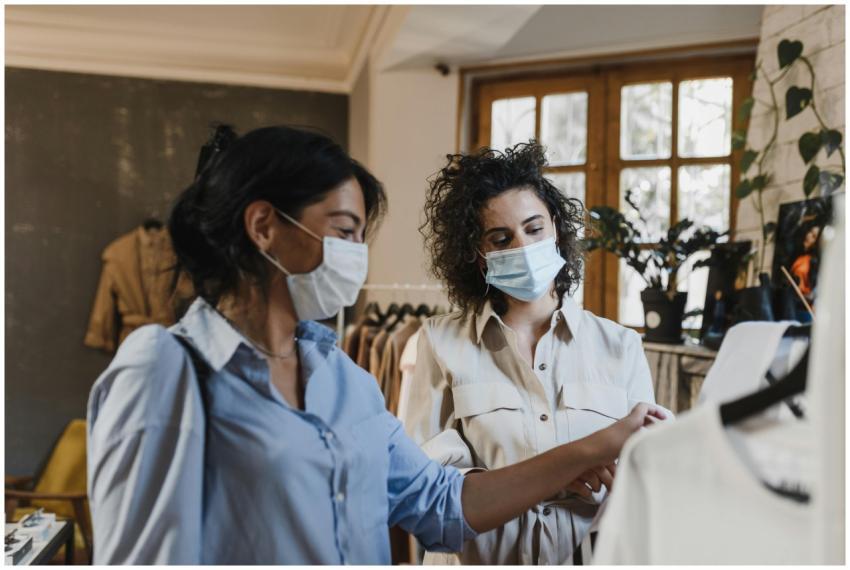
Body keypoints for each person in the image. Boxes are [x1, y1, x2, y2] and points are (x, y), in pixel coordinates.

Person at [86, 126, 664, 564]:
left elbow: (444, 505)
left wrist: (599, 445)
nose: (355, 254)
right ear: (264, 226)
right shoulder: (166, 369)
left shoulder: (343, 380)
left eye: (361, 235)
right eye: (342, 231)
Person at [402, 141, 663, 564]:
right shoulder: (440, 342)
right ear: (479, 256)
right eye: (501, 238)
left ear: (557, 229)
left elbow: (640, 481)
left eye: (534, 228)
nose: (522, 246)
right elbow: (424, 488)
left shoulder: (621, 346)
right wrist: (565, 470)